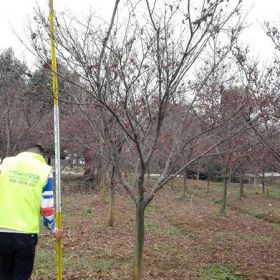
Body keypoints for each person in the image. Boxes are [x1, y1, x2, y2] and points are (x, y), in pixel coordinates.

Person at [0, 145, 62, 280]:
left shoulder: (5, 163)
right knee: (21, 275)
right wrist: (52, 227)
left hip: (1, 232)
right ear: (41, 156)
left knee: (3, 274)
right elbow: (46, 206)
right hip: (25, 234)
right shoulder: (45, 170)